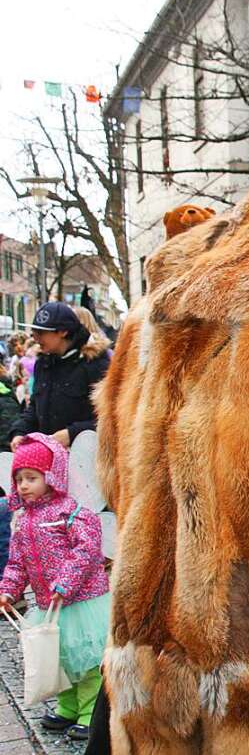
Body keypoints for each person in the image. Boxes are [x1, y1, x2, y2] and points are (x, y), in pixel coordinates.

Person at [0, 433, 110, 740]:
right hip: (51, 605)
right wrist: (9, 589)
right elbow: (17, 561)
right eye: (19, 479)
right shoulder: (24, 520)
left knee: (86, 661)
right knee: (59, 659)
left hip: (81, 602)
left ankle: (89, 712)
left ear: (52, 476)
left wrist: (66, 582)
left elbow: (87, 550)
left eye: (32, 478)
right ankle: (67, 706)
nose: (23, 486)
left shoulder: (71, 512)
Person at [8, 302, 110, 449]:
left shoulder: (96, 364)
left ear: (62, 332)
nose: (36, 338)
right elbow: (35, 408)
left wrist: (72, 433)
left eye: (41, 333)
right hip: (49, 456)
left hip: (87, 456)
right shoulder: (43, 363)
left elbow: (111, 416)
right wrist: (19, 431)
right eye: (34, 332)